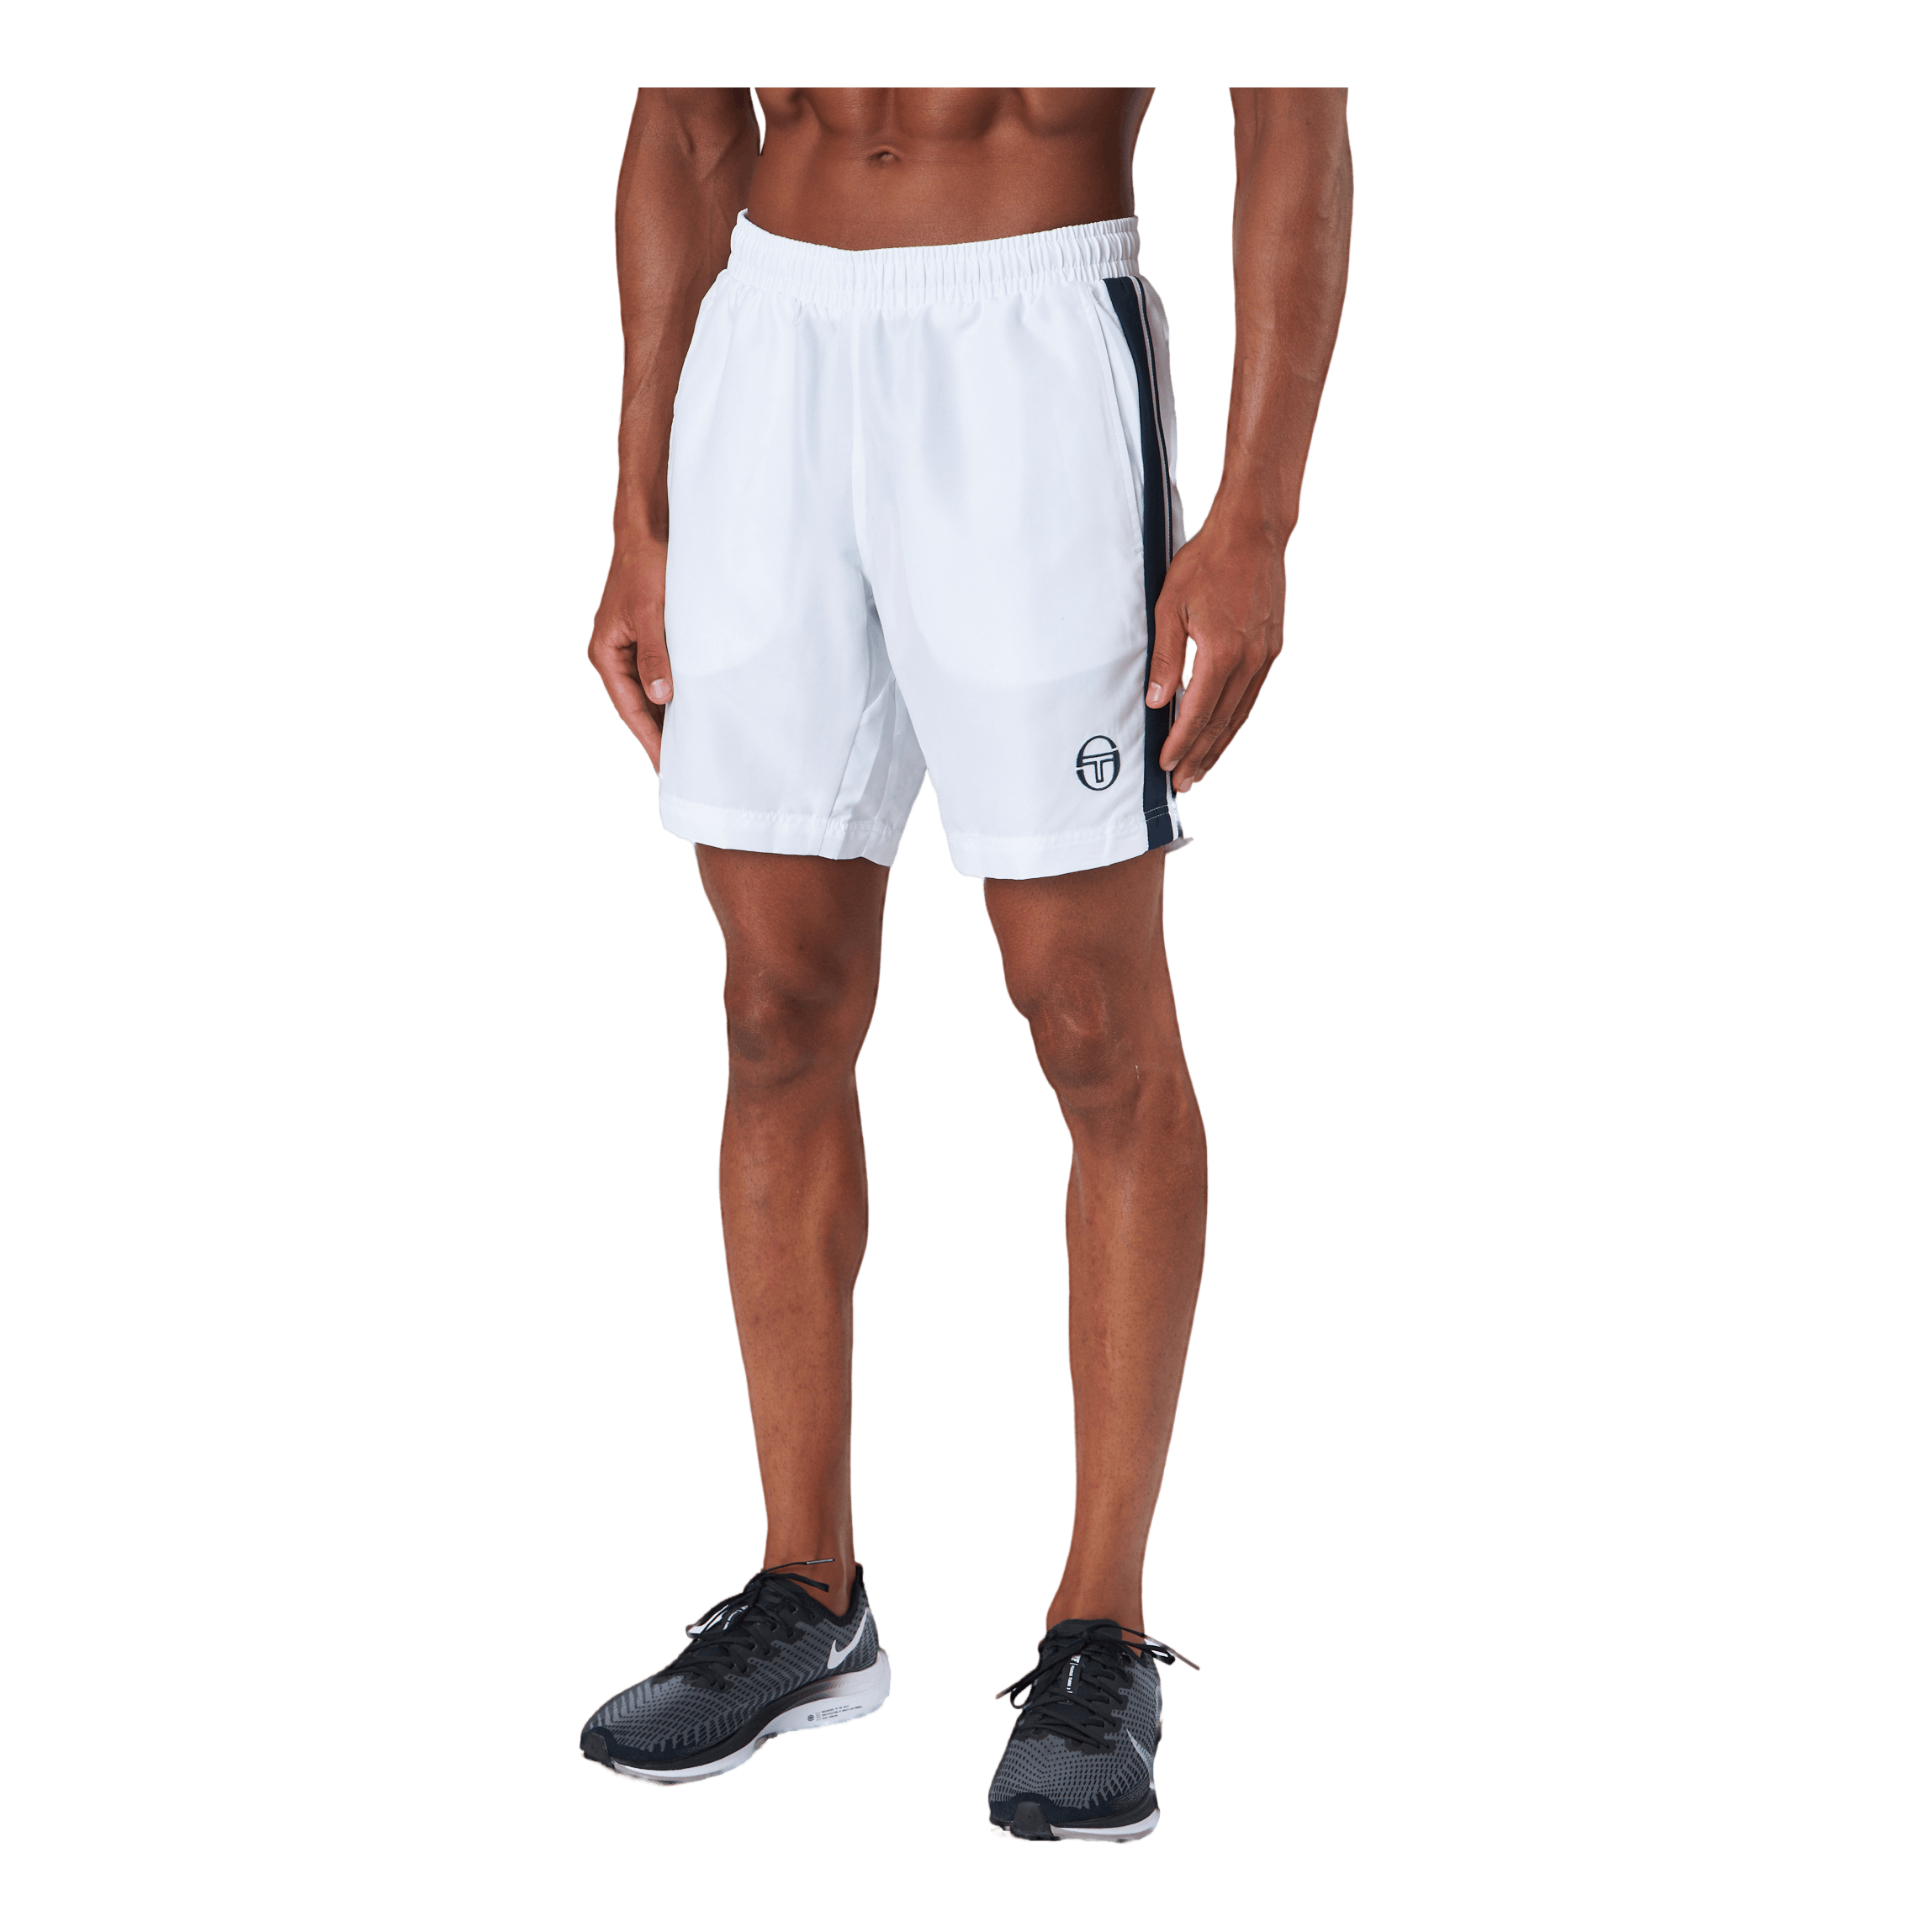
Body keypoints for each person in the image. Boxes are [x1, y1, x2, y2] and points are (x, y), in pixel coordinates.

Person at [580, 87, 1352, 1844]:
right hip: (771, 347)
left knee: (1088, 1024)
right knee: (771, 1011)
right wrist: (638, 497)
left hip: (1031, 344)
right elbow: (683, 126)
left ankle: (1099, 1630)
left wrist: (1255, 512)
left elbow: (1293, 123)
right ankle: (807, 1594)